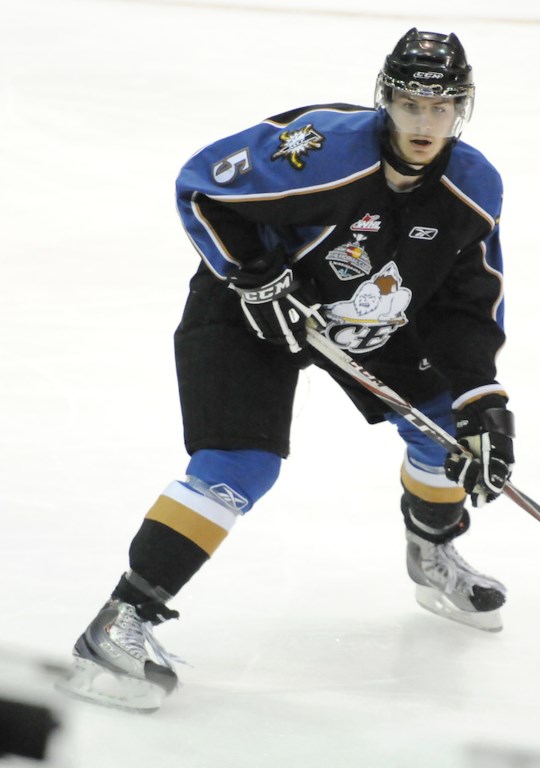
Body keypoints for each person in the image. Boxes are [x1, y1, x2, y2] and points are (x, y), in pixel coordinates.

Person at [58, 28, 516, 712]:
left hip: (365, 308)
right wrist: (254, 274)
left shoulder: (472, 187)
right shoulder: (320, 149)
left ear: (462, 110)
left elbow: (466, 304)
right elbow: (202, 190)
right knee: (240, 466)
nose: (426, 123)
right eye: (413, 104)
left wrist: (483, 401)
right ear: (384, 101)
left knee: (450, 429)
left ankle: (431, 554)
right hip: (252, 307)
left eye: (442, 107)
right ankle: (119, 622)